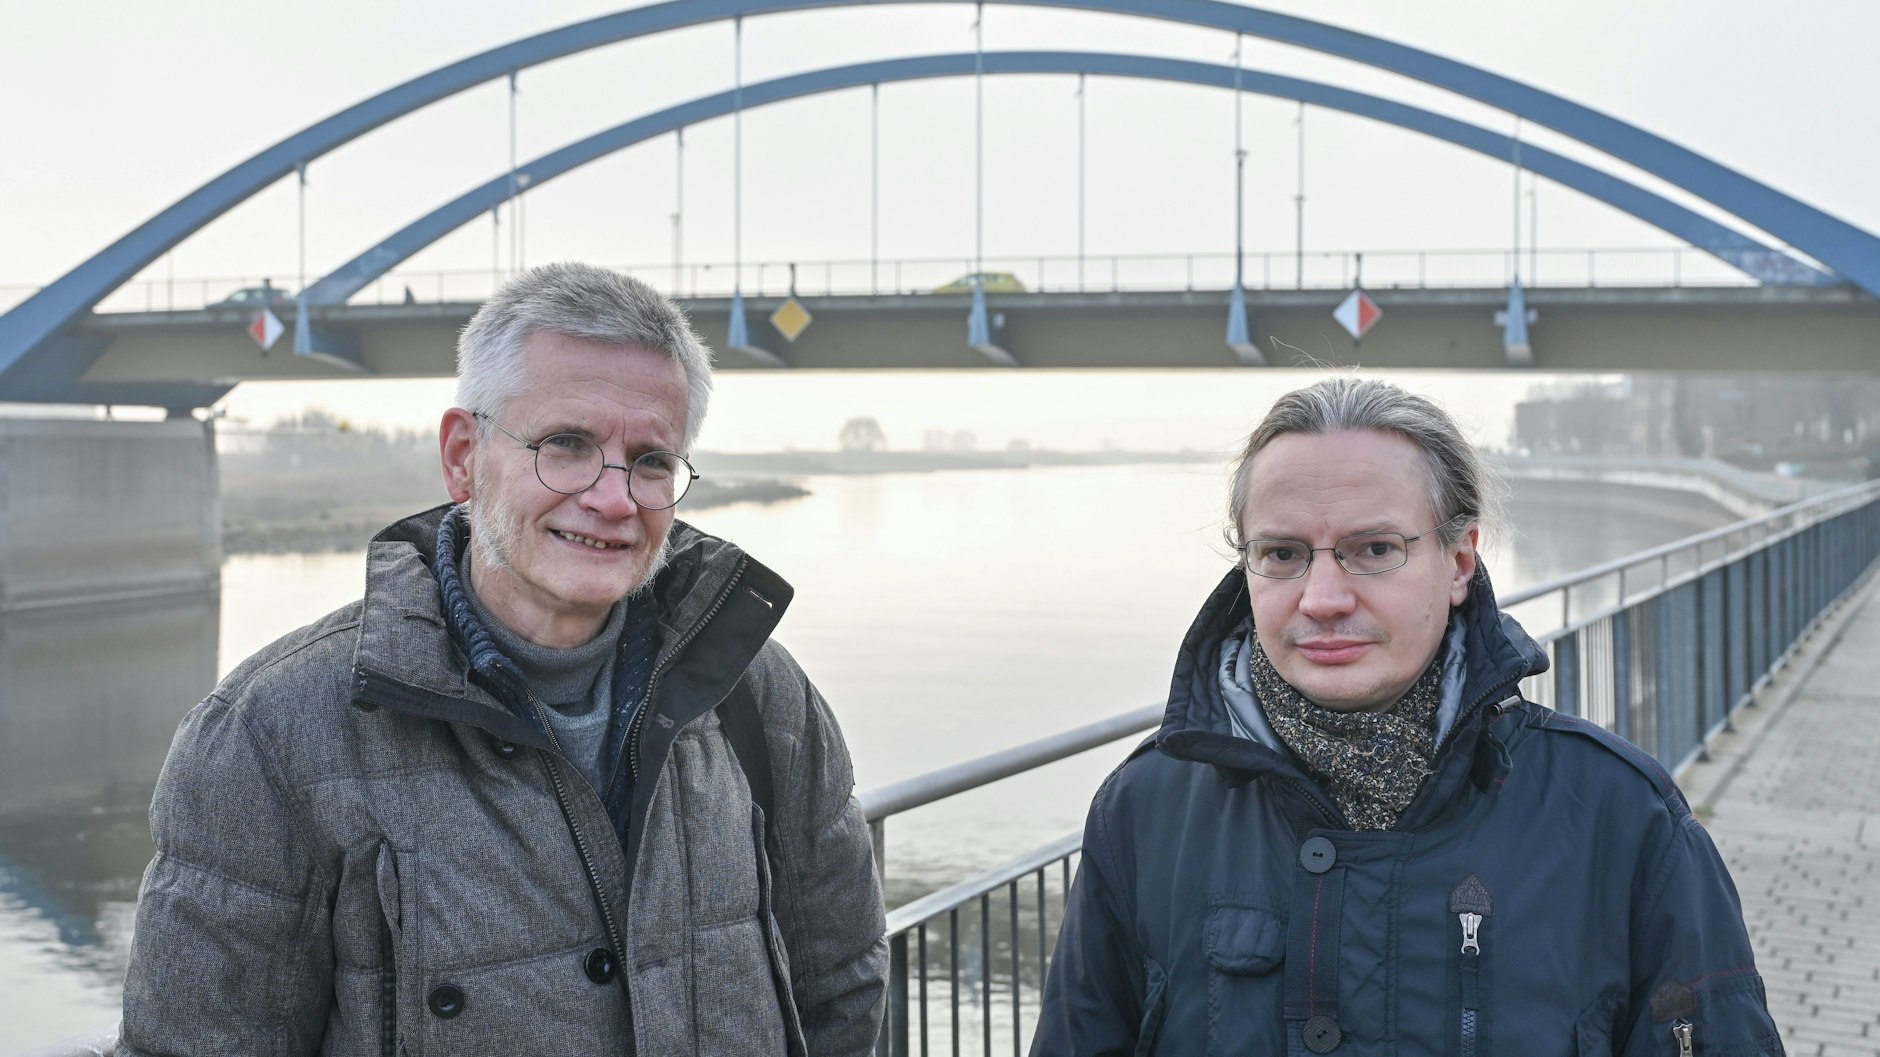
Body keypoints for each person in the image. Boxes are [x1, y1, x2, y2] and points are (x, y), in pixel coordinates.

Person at [120, 263, 887, 1055]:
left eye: (652, 460)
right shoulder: (273, 734)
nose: (615, 499)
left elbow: (840, 985)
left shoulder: (759, 693)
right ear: (463, 456)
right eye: (567, 444)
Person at [1033, 377, 1781, 1057]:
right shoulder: (1146, 810)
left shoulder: (1625, 821)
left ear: (1459, 562)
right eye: (1284, 553)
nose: (1322, 596)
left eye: (1375, 548)